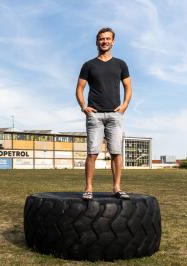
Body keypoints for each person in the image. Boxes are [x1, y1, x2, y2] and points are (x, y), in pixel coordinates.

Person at [75, 27, 132, 200]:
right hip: (95, 116)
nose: (104, 41)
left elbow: (128, 88)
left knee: (116, 153)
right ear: (97, 42)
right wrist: (84, 107)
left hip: (115, 116)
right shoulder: (88, 65)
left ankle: (116, 188)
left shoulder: (121, 64)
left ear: (113, 41)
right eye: (101, 39)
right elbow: (79, 88)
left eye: (108, 39)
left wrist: (124, 106)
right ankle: (88, 188)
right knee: (92, 153)